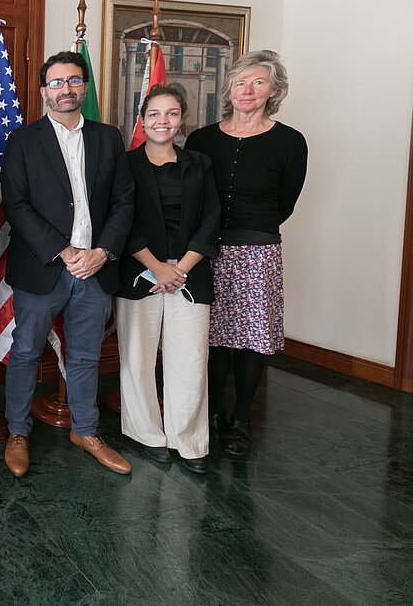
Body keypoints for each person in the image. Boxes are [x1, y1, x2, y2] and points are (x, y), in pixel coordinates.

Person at [0, 51, 135, 477]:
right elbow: (16, 205)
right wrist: (63, 251)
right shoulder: (23, 140)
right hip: (43, 267)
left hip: (96, 269)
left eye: (74, 80)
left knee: (85, 356)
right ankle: (17, 432)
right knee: (25, 352)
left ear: (84, 87)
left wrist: (102, 252)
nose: (66, 89)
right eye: (57, 82)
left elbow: (124, 202)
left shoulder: (108, 138)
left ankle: (86, 431)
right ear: (44, 91)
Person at [184, 50, 307, 456]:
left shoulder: (290, 142)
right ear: (229, 90)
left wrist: (252, 232)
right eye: (240, 82)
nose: (248, 91)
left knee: (253, 337)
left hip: (257, 251)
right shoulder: (201, 140)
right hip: (206, 250)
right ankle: (214, 410)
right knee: (214, 334)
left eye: (258, 83)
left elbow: (286, 202)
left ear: (274, 91)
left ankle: (240, 420)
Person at [115, 85, 221, 474]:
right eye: (155, 114)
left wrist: (181, 269)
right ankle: (146, 434)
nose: (163, 121)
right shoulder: (125, 163)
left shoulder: (200, 163)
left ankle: (188, 440)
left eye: (172, 113)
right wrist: (157, 267)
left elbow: (212, 218)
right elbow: (120, 220)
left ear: (181, 120)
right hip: (139, 271)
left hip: (191, 272)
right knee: (138, 357)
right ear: (142, 120)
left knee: (191, 359)